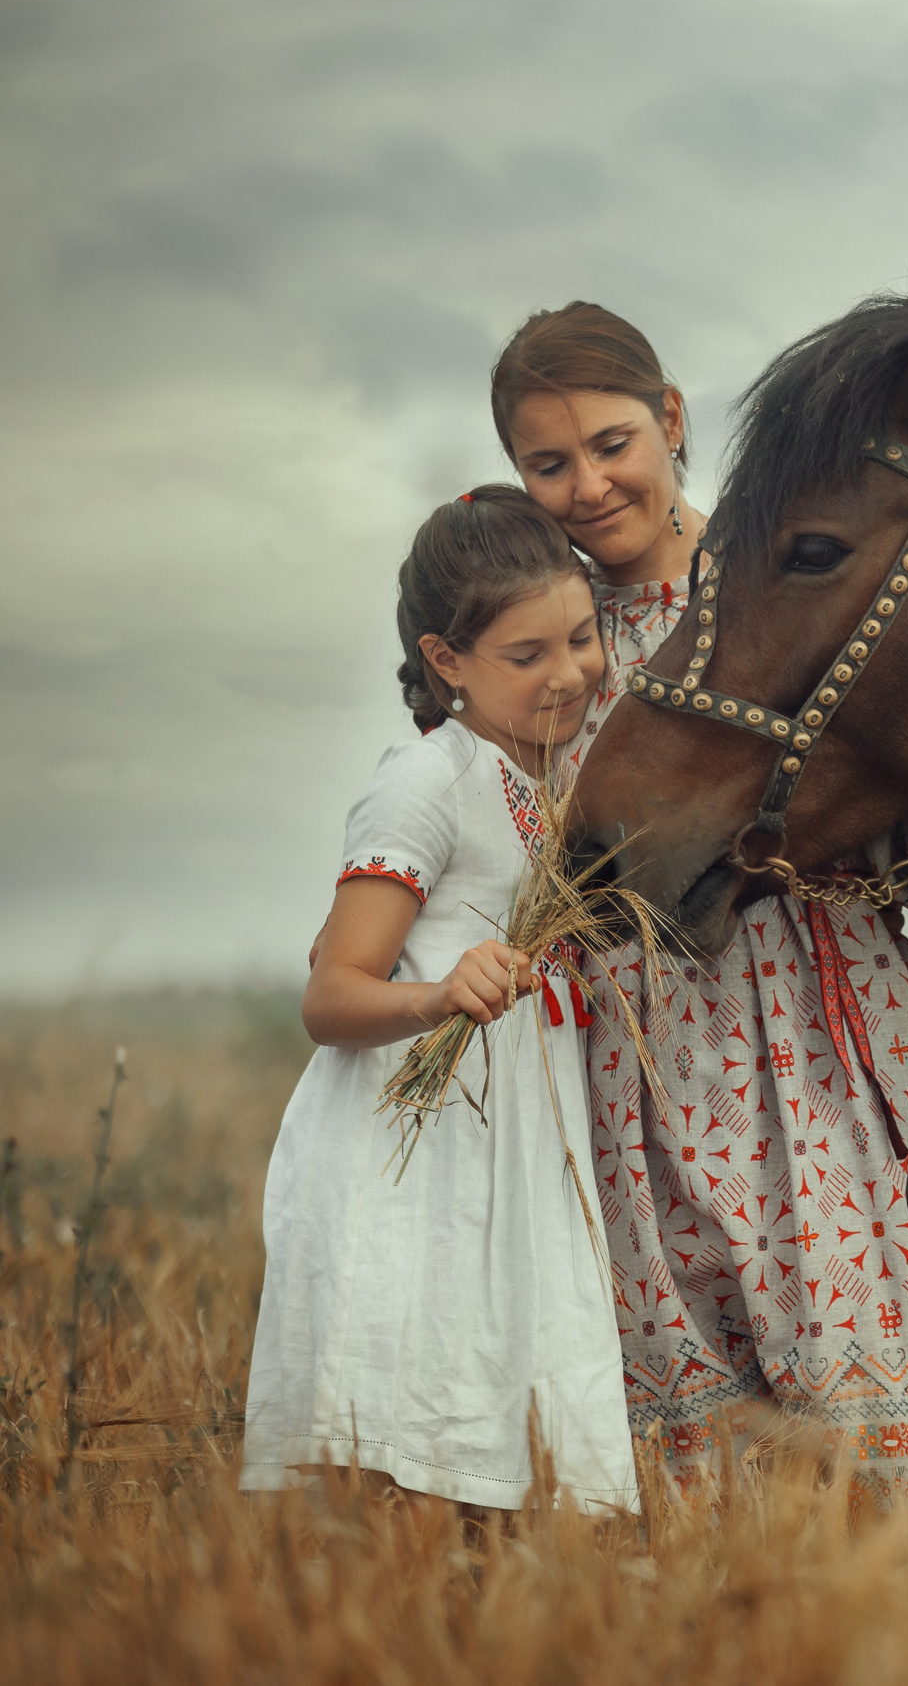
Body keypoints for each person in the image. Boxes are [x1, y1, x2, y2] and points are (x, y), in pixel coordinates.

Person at [492, 303, 908, 1504]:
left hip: (828, 1057)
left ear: (671, 421)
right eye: (547, 462)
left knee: (883, 1462)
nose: (586, 485)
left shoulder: (806, 586)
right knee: (686, 1471)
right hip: (638, 1078)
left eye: (611, 442)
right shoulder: (540, 644)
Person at [240, 486, 638, 1516]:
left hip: (517, 1128)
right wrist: (439, 996)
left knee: (506, 1395)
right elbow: (331, 996)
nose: (568, 674)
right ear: (447, 660)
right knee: (412, 1399)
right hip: (421, 1140)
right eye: (527, 656)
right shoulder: (427, 779)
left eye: (582, 639)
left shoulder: (548, 773)